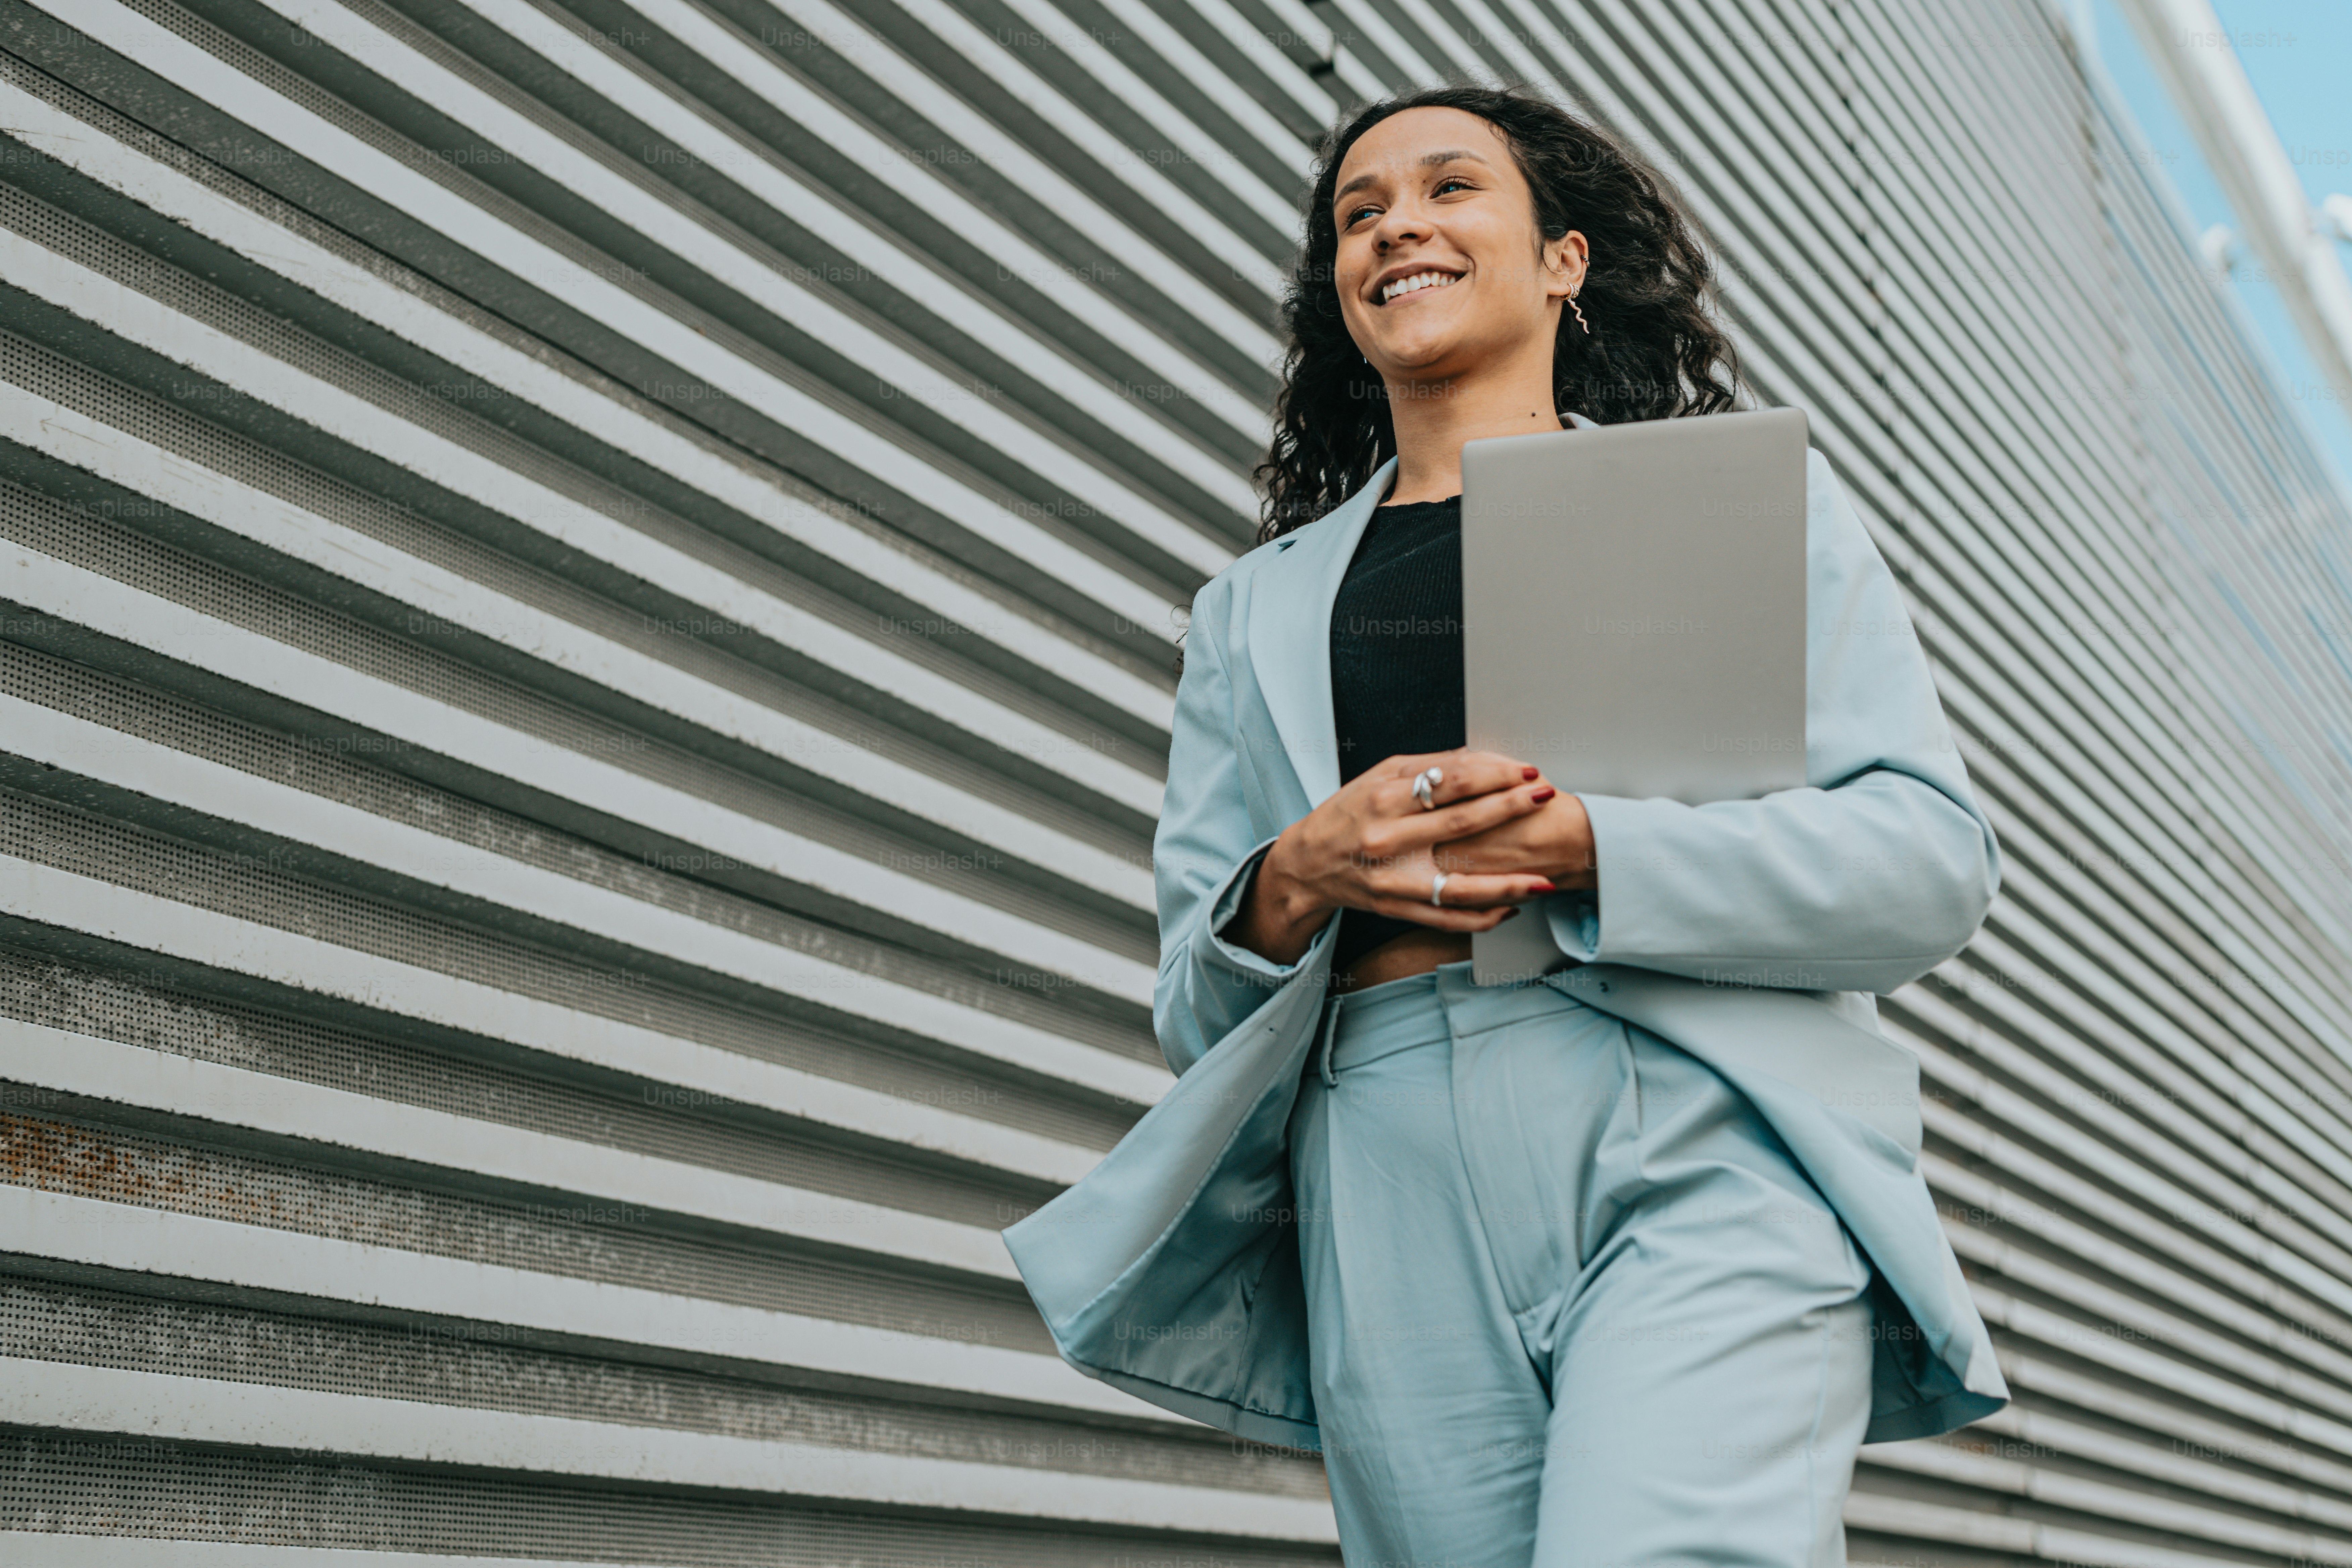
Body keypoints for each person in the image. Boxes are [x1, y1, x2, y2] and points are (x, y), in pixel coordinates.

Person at [1005, 83, 2007, 1568]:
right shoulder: (1252, 612)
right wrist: (1295, 874)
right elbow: (1192, 1005)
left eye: (1451, 187)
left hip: (1691, 1113)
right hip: (1383, 1162)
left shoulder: (1748, 510)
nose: (1397, 221)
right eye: (1360, 212)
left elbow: (1926, 870)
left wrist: (1593, 846)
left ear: (1565, 261)